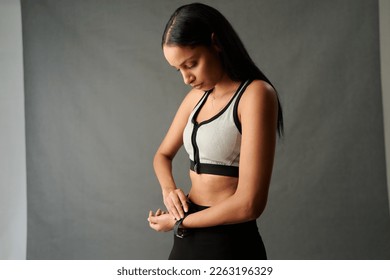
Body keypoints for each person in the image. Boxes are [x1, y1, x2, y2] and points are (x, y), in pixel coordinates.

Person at [147, 2, 283, 260]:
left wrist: (179, 223)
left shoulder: (255, 95)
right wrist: (170, 192)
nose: (186, 78)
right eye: (179, 70)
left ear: (216, 42)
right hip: (186, 238)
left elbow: (250, 204)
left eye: (191, 64)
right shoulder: (195, 98)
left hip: (230, 244)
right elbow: (162, 155)